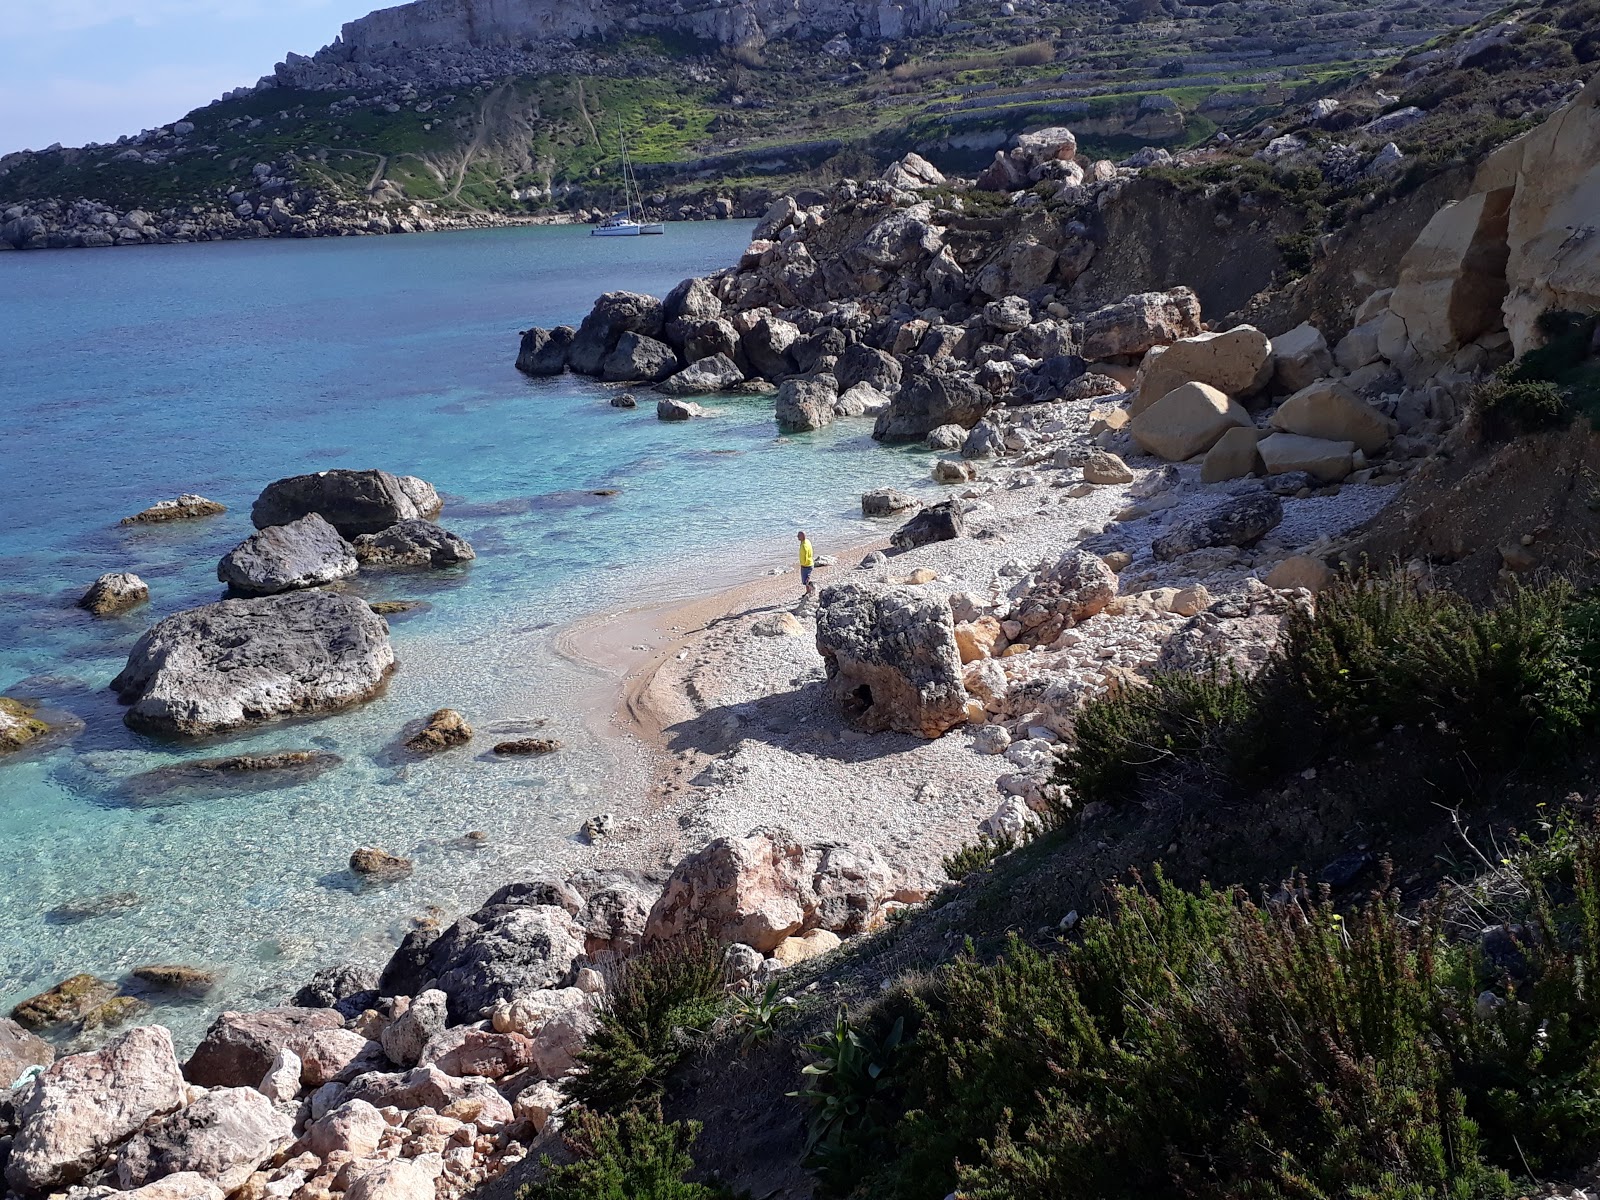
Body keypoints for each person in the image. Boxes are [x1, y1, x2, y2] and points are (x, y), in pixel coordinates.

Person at [797, 530, 816, 595]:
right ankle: (808, 592)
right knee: (806, 579)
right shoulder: (807, 541)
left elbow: (805, 556)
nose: (797, 537)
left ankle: (811, 588)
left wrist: (803, 564)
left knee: (805, 581)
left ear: (802, 536)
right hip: (810, 563)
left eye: (799, 535)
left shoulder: (804, 546)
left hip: (806, 565)